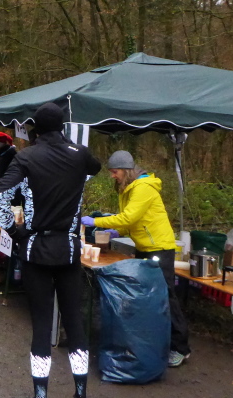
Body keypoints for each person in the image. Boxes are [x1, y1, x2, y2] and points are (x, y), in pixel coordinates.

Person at [0, 102, 101, 398]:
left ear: (35, 130)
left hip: (37, 250)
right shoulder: (79, 154)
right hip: (68, 250)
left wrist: (14, 231)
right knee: (75, 324)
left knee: (41, 327)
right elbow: (94, 167)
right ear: (62, 127)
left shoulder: (26, 157)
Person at [81, 150, 191, 368]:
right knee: (148, 297)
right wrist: (117, 230)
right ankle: (156, 341)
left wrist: (96, 222)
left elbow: (129, 217)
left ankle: (181, 348)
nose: (112, 175)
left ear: (126, 170)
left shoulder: (143, 188)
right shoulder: (127, 189)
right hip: (144, 247)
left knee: (165, 296)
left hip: (159, 248)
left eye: (115, 171)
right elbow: (132, 221)